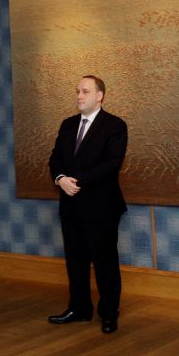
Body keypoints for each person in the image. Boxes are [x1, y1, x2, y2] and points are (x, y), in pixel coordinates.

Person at [48, 75, 128, 334]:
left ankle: (109, 314)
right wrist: (60, 179)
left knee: (105, 263)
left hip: (101, 208)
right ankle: (79, 309)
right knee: (75, 262)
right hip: (70, 206)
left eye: (85, 91)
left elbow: (112, 163)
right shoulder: (67, 124)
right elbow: (55, 158)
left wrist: (76, 181)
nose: (79, 96)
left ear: (99, 96)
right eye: (77, 91)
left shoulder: (115, 126)